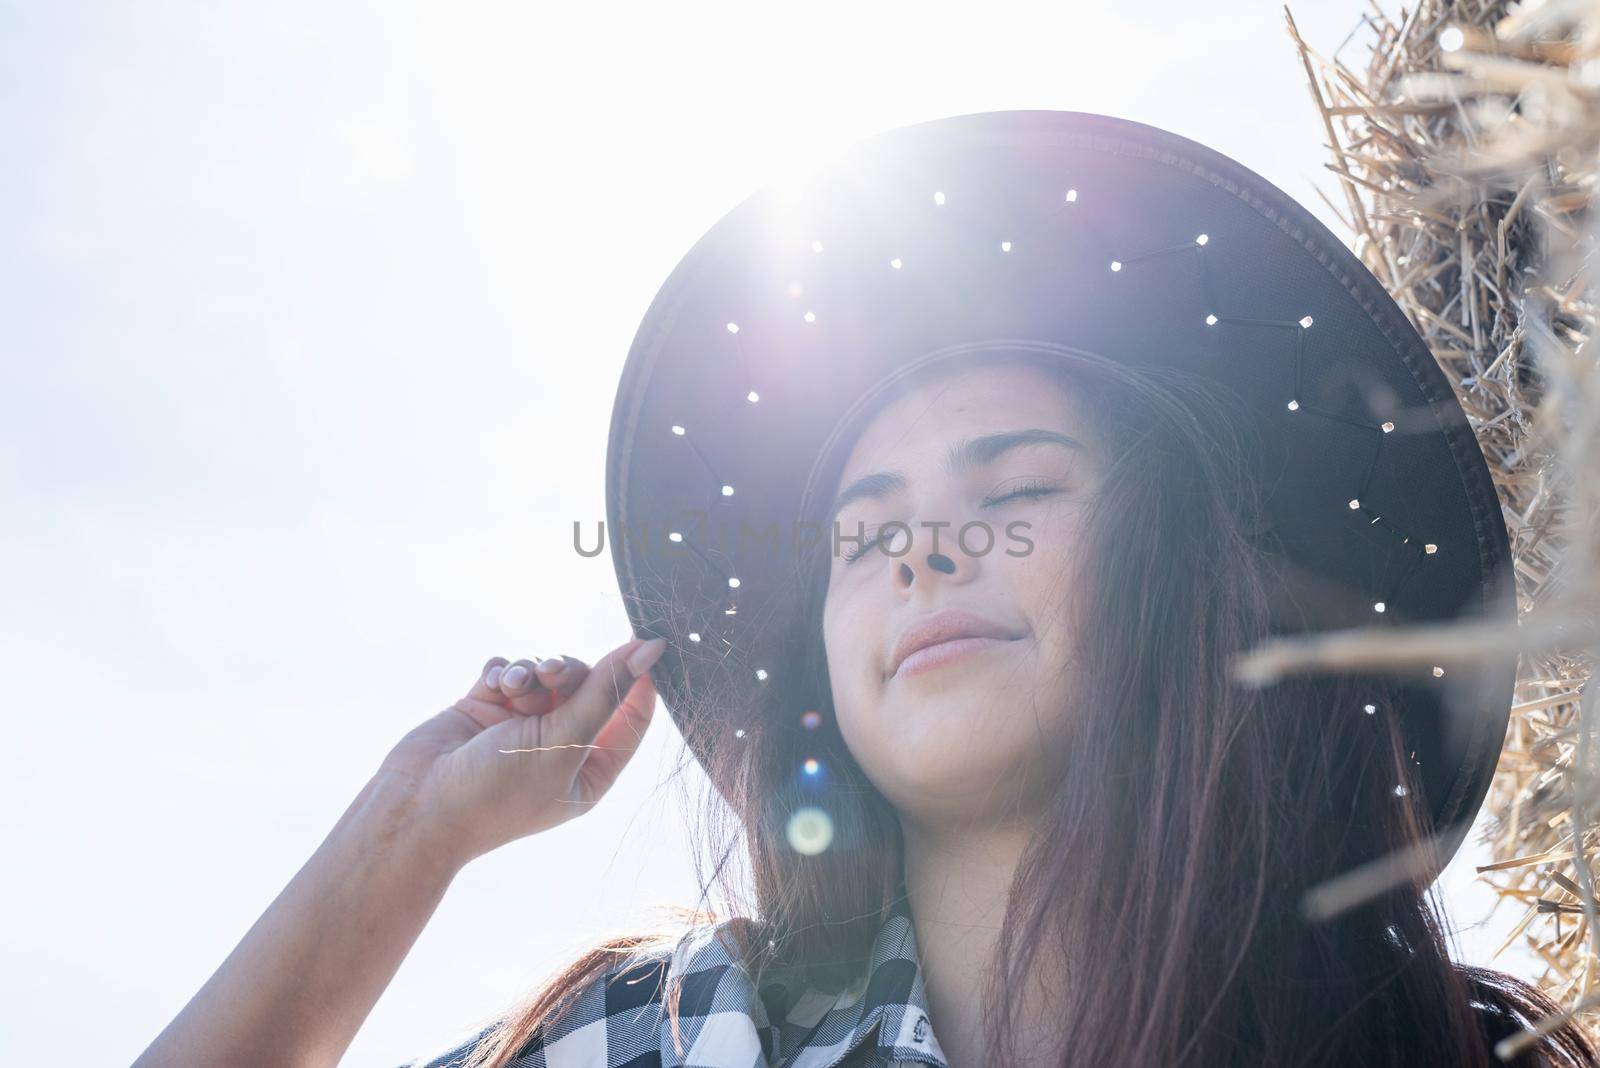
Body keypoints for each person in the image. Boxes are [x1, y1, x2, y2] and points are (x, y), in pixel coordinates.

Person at [134, 111, 1600, 1066]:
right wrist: (404, 838)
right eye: (861, 532)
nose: (922, 550)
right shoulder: (655, 1041)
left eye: (1016, 492)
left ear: (1204, 590)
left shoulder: (1457, 1052)